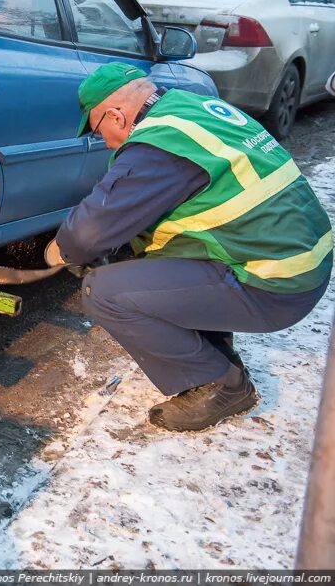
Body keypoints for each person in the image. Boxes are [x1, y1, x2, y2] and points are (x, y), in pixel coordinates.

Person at [46, 62, 332, 432]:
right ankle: (218, 358)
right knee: (157, 257)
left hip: (275, 284)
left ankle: (221, 388)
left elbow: (87, 233)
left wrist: (57, 252)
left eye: (99, 132)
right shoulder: (189, 110)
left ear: (116, 116)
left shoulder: (159, 142)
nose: (105, 142)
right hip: (299, 263)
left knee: (103, 291)